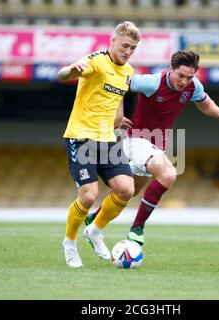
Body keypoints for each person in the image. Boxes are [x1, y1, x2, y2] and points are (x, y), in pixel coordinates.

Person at [85, 50, 219, 245]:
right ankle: (137, 229)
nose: (184, 81)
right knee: (168, 174)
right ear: (171, 69)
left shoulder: (193, 86)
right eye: (181, 76)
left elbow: (205, 103)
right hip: (136, 140)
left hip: (156, 144)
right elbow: (119, 84)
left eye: (189, 77)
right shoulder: (152, 82)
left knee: (130, 191)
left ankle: (93, 219)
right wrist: (117, 115)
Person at [57, 21, 141, 268]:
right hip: (82, 136)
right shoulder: (95, 60)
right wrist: (71, 69)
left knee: (127, 189)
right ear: (113, 41)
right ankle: (69, 243)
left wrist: (118, 119)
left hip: (108, 137)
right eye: (125, 45)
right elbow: (63, 75)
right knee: (88, 196)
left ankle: (94, 231)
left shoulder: (128, 71)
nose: (127, 51)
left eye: (132, 48)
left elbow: (117, 98)